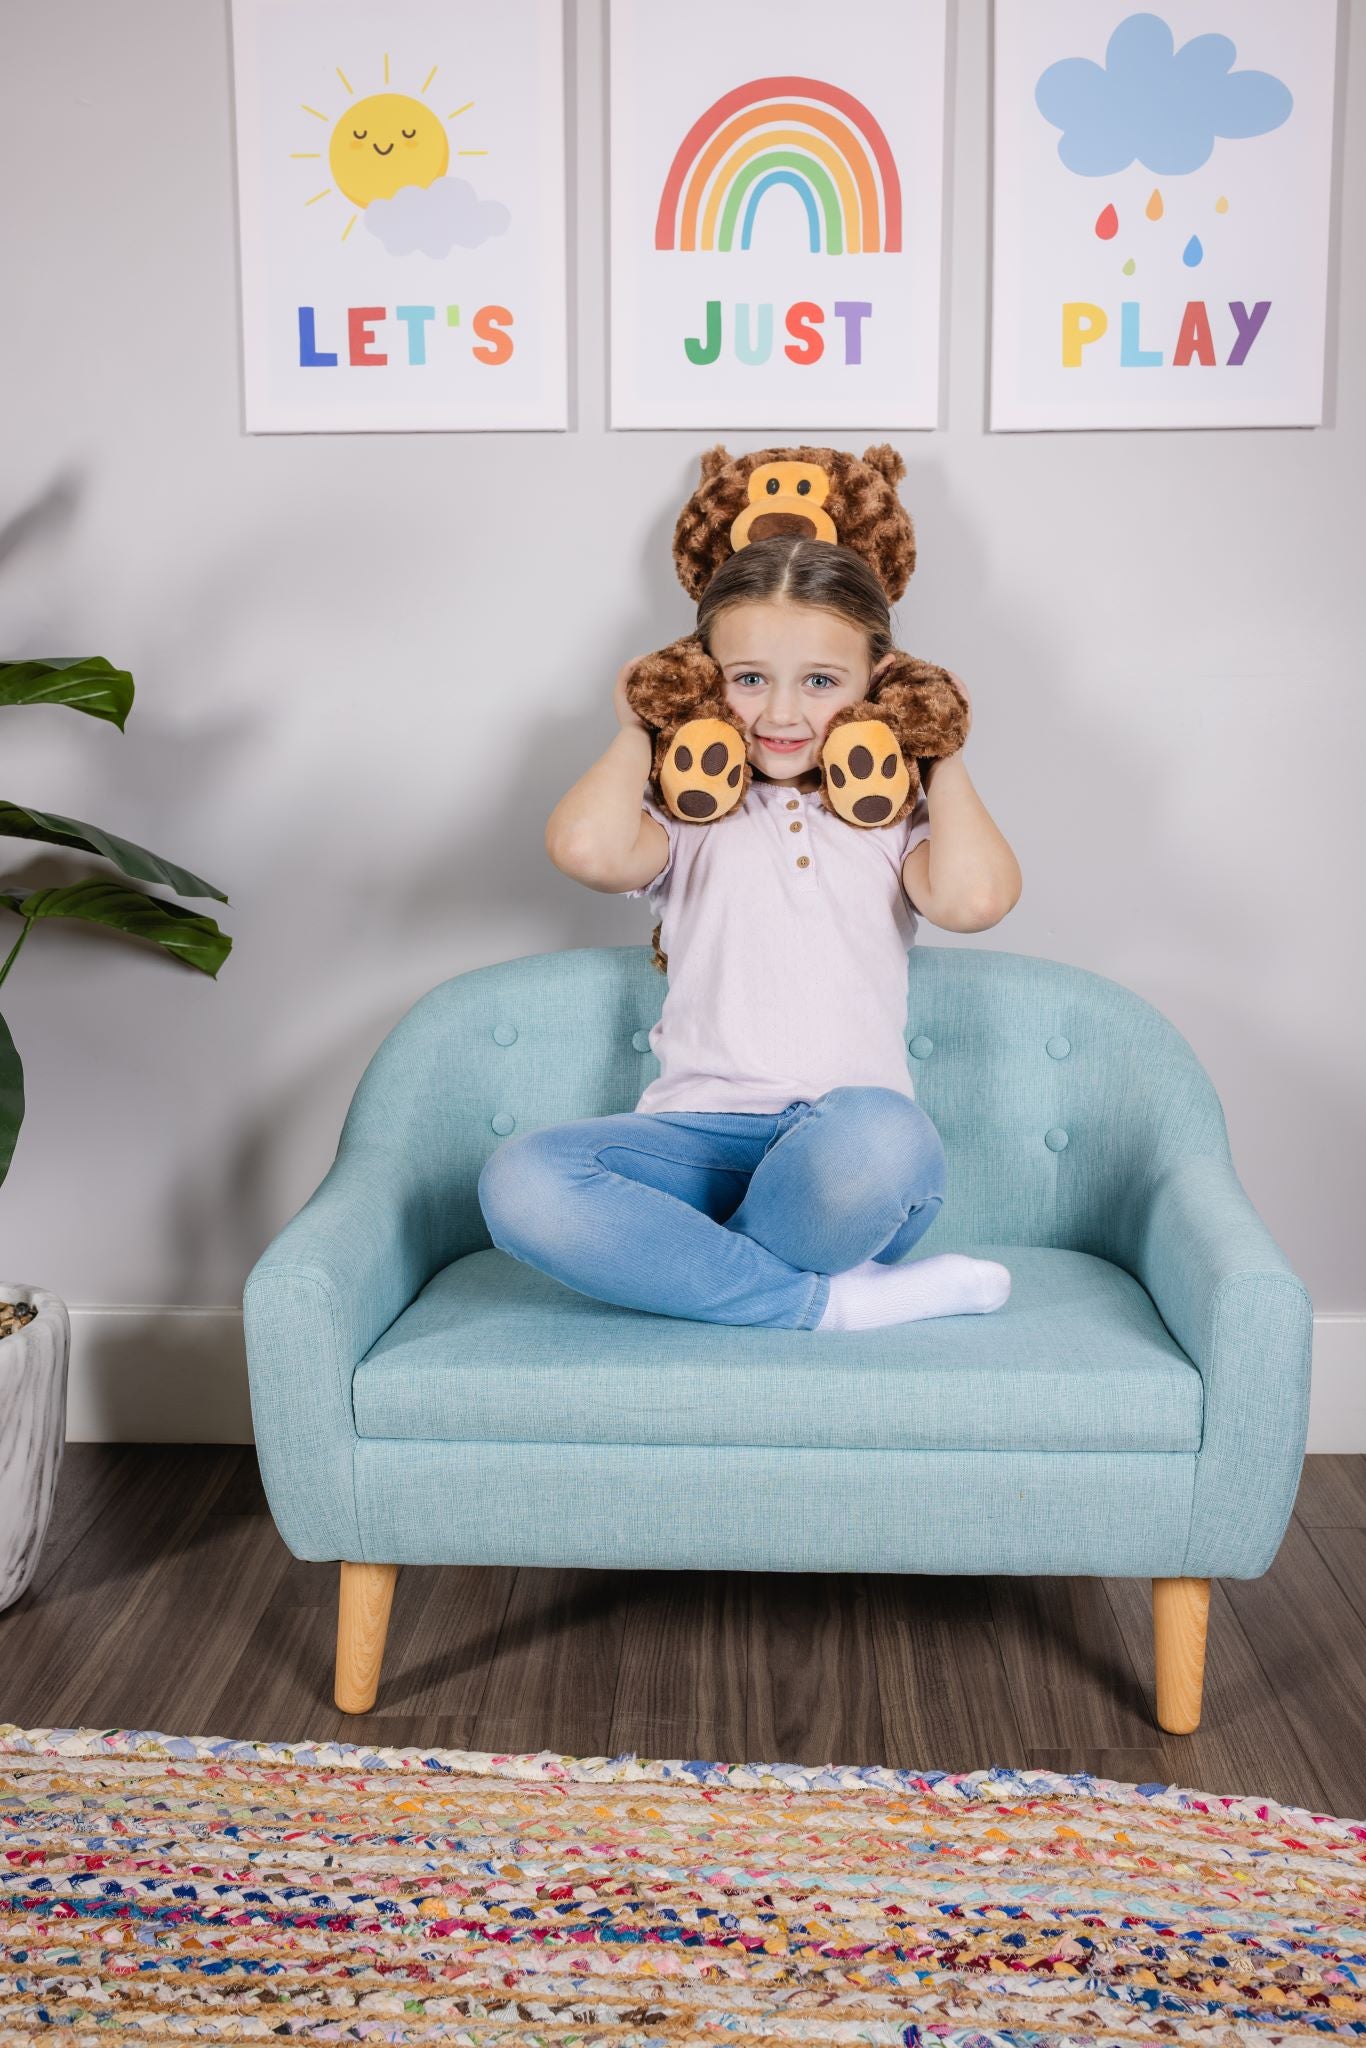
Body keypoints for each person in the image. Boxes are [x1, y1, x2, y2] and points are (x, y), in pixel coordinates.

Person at [478, 534, 1023, 1332]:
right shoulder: (689, 817)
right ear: (704, 678)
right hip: (697, 1140)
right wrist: (642, 722)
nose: (781, 713)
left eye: (822, 681)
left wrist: (937, 746)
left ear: (881, 682)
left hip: (842, 1153)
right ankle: (830, 1303)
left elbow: (976, 899)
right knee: (521, 1181)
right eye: (748, 679)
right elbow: (587, 846)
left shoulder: (891, 824)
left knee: (885, 1136)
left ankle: (710, 1279)